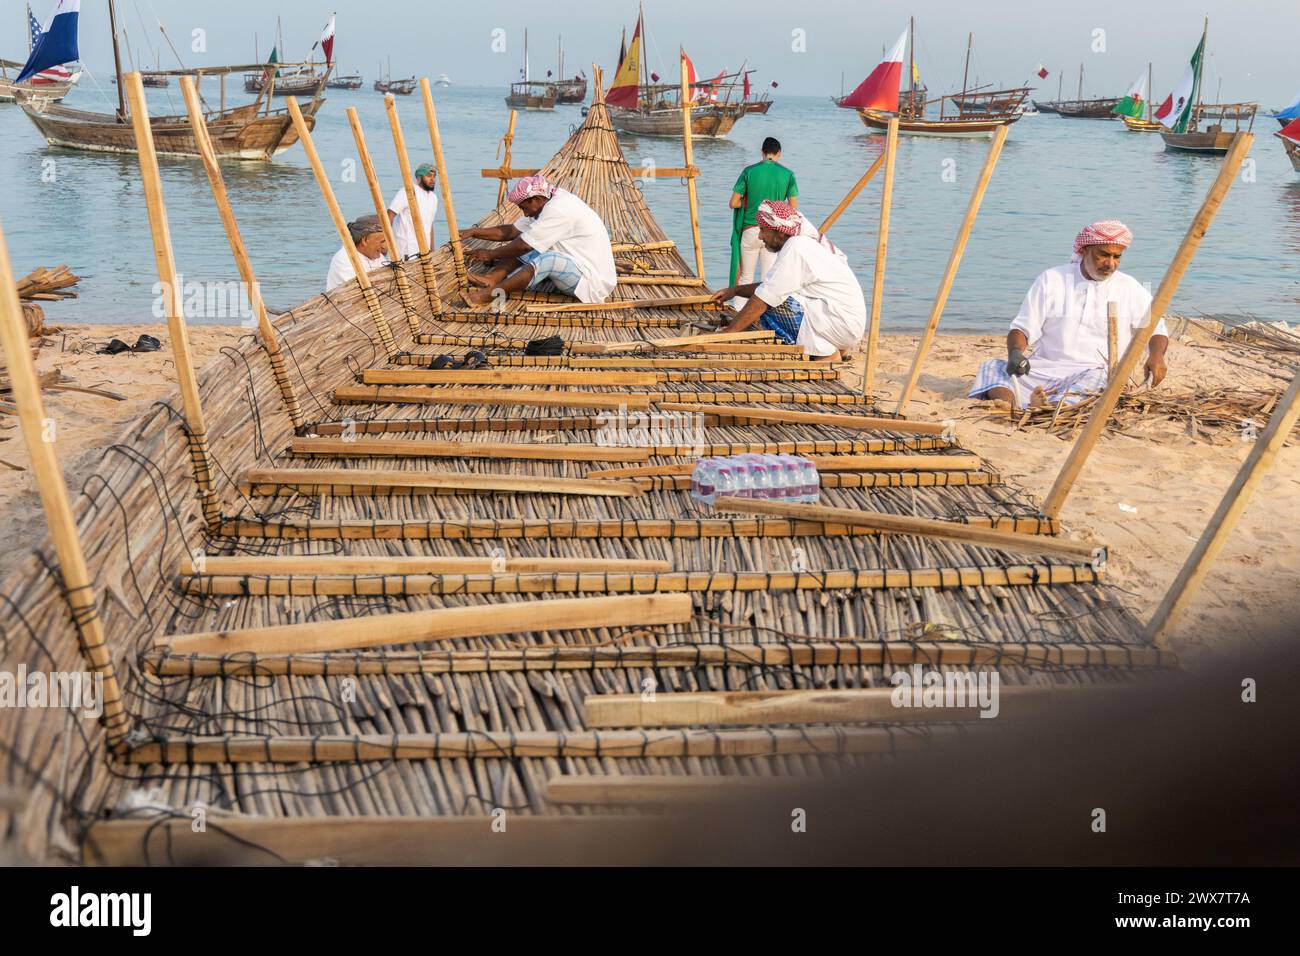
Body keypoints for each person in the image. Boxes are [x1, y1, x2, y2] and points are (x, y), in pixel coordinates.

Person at [969, 220, 1169, 410]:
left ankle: (1051, 407)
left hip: (1095, 371)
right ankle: (1010, 406)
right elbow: (1022, 328)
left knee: (1103, 378)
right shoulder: (1052, 279)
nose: (1110, 264)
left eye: (1116, 257)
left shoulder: (1130, 287)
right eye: (1103, 255)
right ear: (1084, 251)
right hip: (1044, 369)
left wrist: (1156, 355)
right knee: (992, 367)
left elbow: (1155, 329)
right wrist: (1015, 353)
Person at [710, 199, 866, 362]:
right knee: (775, 297)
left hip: (841, 325)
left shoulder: (796, 247)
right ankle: (837, 348)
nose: (760, 236)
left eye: (763, 230)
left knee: (770, 305)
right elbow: (771, 286)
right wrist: (735, 291)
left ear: (780, 232)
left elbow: (765, 296)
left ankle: (825, 354)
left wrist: (730, 332)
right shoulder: (805, 244)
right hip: (847, 325)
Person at [458, 174, 616, 306]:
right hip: (574, 264)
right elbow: (512, 231)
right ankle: (492, 279)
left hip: (591, 282)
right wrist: (473, 232)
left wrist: (491, 254)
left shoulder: (558, 209)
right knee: (526, 239)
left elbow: (525, 245)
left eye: (524, 208)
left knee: (541, 255)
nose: (525, 214)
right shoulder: (546, 202)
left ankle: (488, 295)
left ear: (537, 199)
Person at [729, 137, 799, 308]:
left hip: (751, 230)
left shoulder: (749, 172)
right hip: (774, 233)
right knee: (768, 279)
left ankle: (738, 312)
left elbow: (733, 203)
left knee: (746, 277)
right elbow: (793, 208)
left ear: (762, 152)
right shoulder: (788, 174)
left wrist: (746, 205)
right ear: (779, 153)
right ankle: (762, 316)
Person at [324, 215, 389, 293]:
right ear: (365, 240)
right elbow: (358, 292)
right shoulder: (344, 259)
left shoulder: (378, 256)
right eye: (382, 241)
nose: (385, 247)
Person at [387, 163, 438, 260]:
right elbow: (390, 215)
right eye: (428, 176)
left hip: (423, 250)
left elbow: (430, 224)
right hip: (405, 249)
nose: (432, 179)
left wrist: (432, 250)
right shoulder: (408, 192)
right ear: (419, 177)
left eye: (434, 176)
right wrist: (385, 243)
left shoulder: (433, 198)